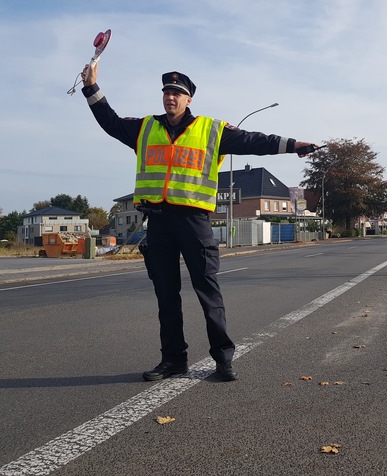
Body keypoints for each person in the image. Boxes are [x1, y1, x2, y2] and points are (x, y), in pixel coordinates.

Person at [81, 62, 317, 382]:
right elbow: (110, 121)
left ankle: (223, 359)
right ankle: (173, 361)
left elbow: (252, 140)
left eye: (177, 93)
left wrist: (293, 145)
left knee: (208, 293)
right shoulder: (145, 128)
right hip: (159, 222)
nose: (170, 97)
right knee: (167, 296)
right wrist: (92, 88)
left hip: (194, 222)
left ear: (189, 99)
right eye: (166, 91)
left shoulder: (211, 130)